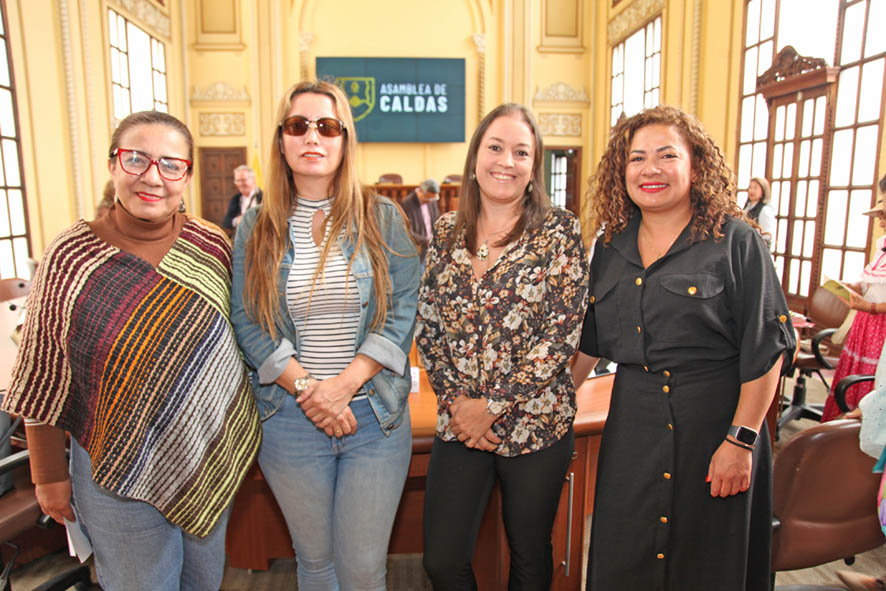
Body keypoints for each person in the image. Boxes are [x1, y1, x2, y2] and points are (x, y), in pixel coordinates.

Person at [0, 110, 262, 591]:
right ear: (113, 165)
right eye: (136, 159)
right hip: (112, 467)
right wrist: (48, 475)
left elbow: (237, 348)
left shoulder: (213, 246)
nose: (152, 178)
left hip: (203, 454)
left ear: (186, 174)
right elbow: (42, 372)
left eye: (170, 164)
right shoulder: (71, 255)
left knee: (203, 583)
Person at [572, 105, 795, 590]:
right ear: (621, 171)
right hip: (632, 430)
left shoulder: (736, 242)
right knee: (624, 556)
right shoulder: (609, 246)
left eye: (666, 155)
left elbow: (767, 347)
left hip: (714, 429)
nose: (650, 169)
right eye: (636, 158)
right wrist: (545, 403)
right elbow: (590, 342)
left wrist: (741, 441)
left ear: (695, 166)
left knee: (709, 563)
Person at [230, 80, 419, 590]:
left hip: (373, 414)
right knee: (314, 564)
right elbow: (248, 320)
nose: (312, 136)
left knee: (361, 569)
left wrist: (342, 386)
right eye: (298, 125)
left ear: (344, 141)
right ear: (282, 140)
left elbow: (403, 308)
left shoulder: (380, 217)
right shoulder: (257, 226)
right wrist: (308, 390)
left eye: (327, 126)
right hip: (290, 418)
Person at [416, 103, 589, 589]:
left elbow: (561, 334)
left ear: (534, 166)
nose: (505, 161)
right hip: (461, 423)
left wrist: (490, 405)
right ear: (475, 157)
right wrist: (457, 404)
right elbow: (429, 326)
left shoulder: (560, 231)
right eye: (495, 147)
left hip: (535, 422)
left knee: (529, 555)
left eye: (521, 152)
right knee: (442, 561)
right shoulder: (448, 230)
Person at [822, 174, 886, 421]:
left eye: (883, 216)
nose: (880, 223)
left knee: (873, 385)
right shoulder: (882, 244)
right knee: (854, 380)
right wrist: (857, 287)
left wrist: (870, 306)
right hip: (866, 326)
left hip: (879, 327)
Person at [400, 178, 441, 262]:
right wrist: (425, 240)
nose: (430, 201)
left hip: (432, 247)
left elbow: (437, 221)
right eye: (428, 198)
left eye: (432, 199)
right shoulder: (407, 204)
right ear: (420, 191)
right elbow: (407, 230)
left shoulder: (432, 201)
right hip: (418, 249)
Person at [222, 164, 263, 230]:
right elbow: (226, 222)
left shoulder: (264, 197)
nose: (240, 184)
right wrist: (237, 220)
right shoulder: (236, 199)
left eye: (243, 180)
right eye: (237, 181)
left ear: (253, 179)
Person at [743, 176, 776, 249]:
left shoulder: (765, 210)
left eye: (755, 188)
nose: (751, 190)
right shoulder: (747, 207)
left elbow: (767, 238)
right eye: (750, 187)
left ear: (763, 191)